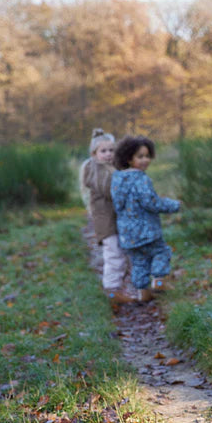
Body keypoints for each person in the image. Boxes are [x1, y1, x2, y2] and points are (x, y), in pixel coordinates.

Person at [111, 135, 180, 302]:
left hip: (128, 234)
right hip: (146, 231)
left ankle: (143, 292)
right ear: (128, 158)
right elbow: (151, 202)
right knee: (161, 252)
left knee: (139, 262)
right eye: (140, 156)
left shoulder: (117, 179)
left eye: (148, 156)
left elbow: (118, 204)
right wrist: (174, 205)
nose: (145, 160)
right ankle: (158, 281)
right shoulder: (141, 178)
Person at [80, 128, 132, 304]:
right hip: (106, 222)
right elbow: (111, 191)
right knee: (113, 255)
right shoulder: (95, 171)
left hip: (114, 220)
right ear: (94, 154)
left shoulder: (109, 168)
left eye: (111, 150)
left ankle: (116, 288)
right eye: (103, 151)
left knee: (120, 254)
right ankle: (111, 290)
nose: (108, 154)